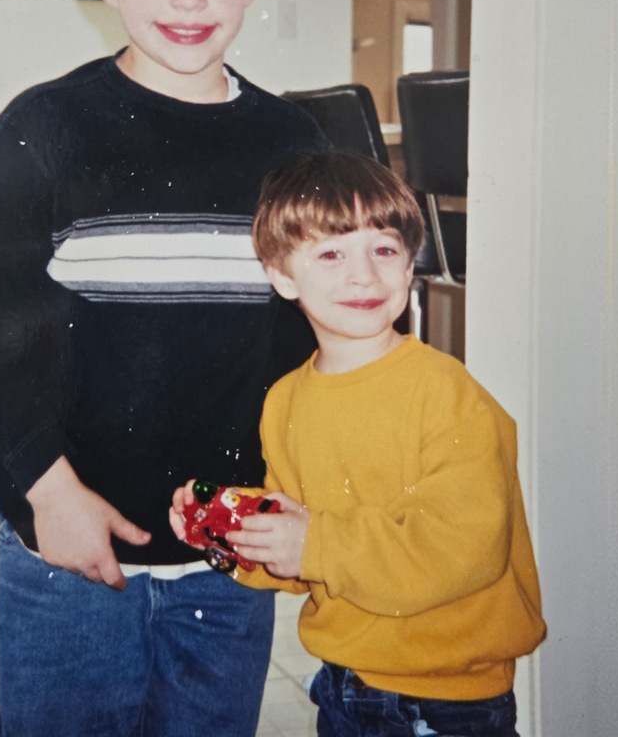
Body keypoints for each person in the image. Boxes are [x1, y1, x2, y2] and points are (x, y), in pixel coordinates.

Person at [0, 0, 326, 737]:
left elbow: (314, 336)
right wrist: (45, 490)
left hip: (226, 562)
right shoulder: (46, 126)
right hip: (68, 551)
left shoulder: (295, 142)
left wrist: (311, 491)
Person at [169, 151, 547, 737]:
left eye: (385, 250)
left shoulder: (447, 393)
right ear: (282, 275)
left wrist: (312, 542)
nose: (364, 275)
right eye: (331, 253)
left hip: (445, 701)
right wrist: (243, 533)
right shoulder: (287, 401)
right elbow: (309, 557)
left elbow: (463, 545)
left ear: (409, 261)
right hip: (345, 686)